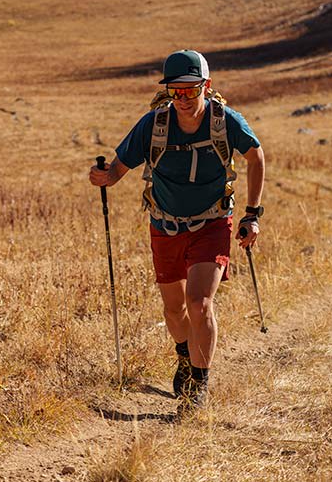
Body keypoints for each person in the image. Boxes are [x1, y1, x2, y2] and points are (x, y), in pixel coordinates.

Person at [89, 50, 265, 413]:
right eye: (176, 91)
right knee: (173, 312)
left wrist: (252, 214)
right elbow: (121, 165)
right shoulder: (154, 125)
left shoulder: (225, 121)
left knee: (199, 303)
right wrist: (105, 178)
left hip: (212, 222)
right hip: (165, 224)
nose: (183, 98)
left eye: (191, 89)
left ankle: (199, 383)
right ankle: (185, 356)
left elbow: (255, 156)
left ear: (207, 86)